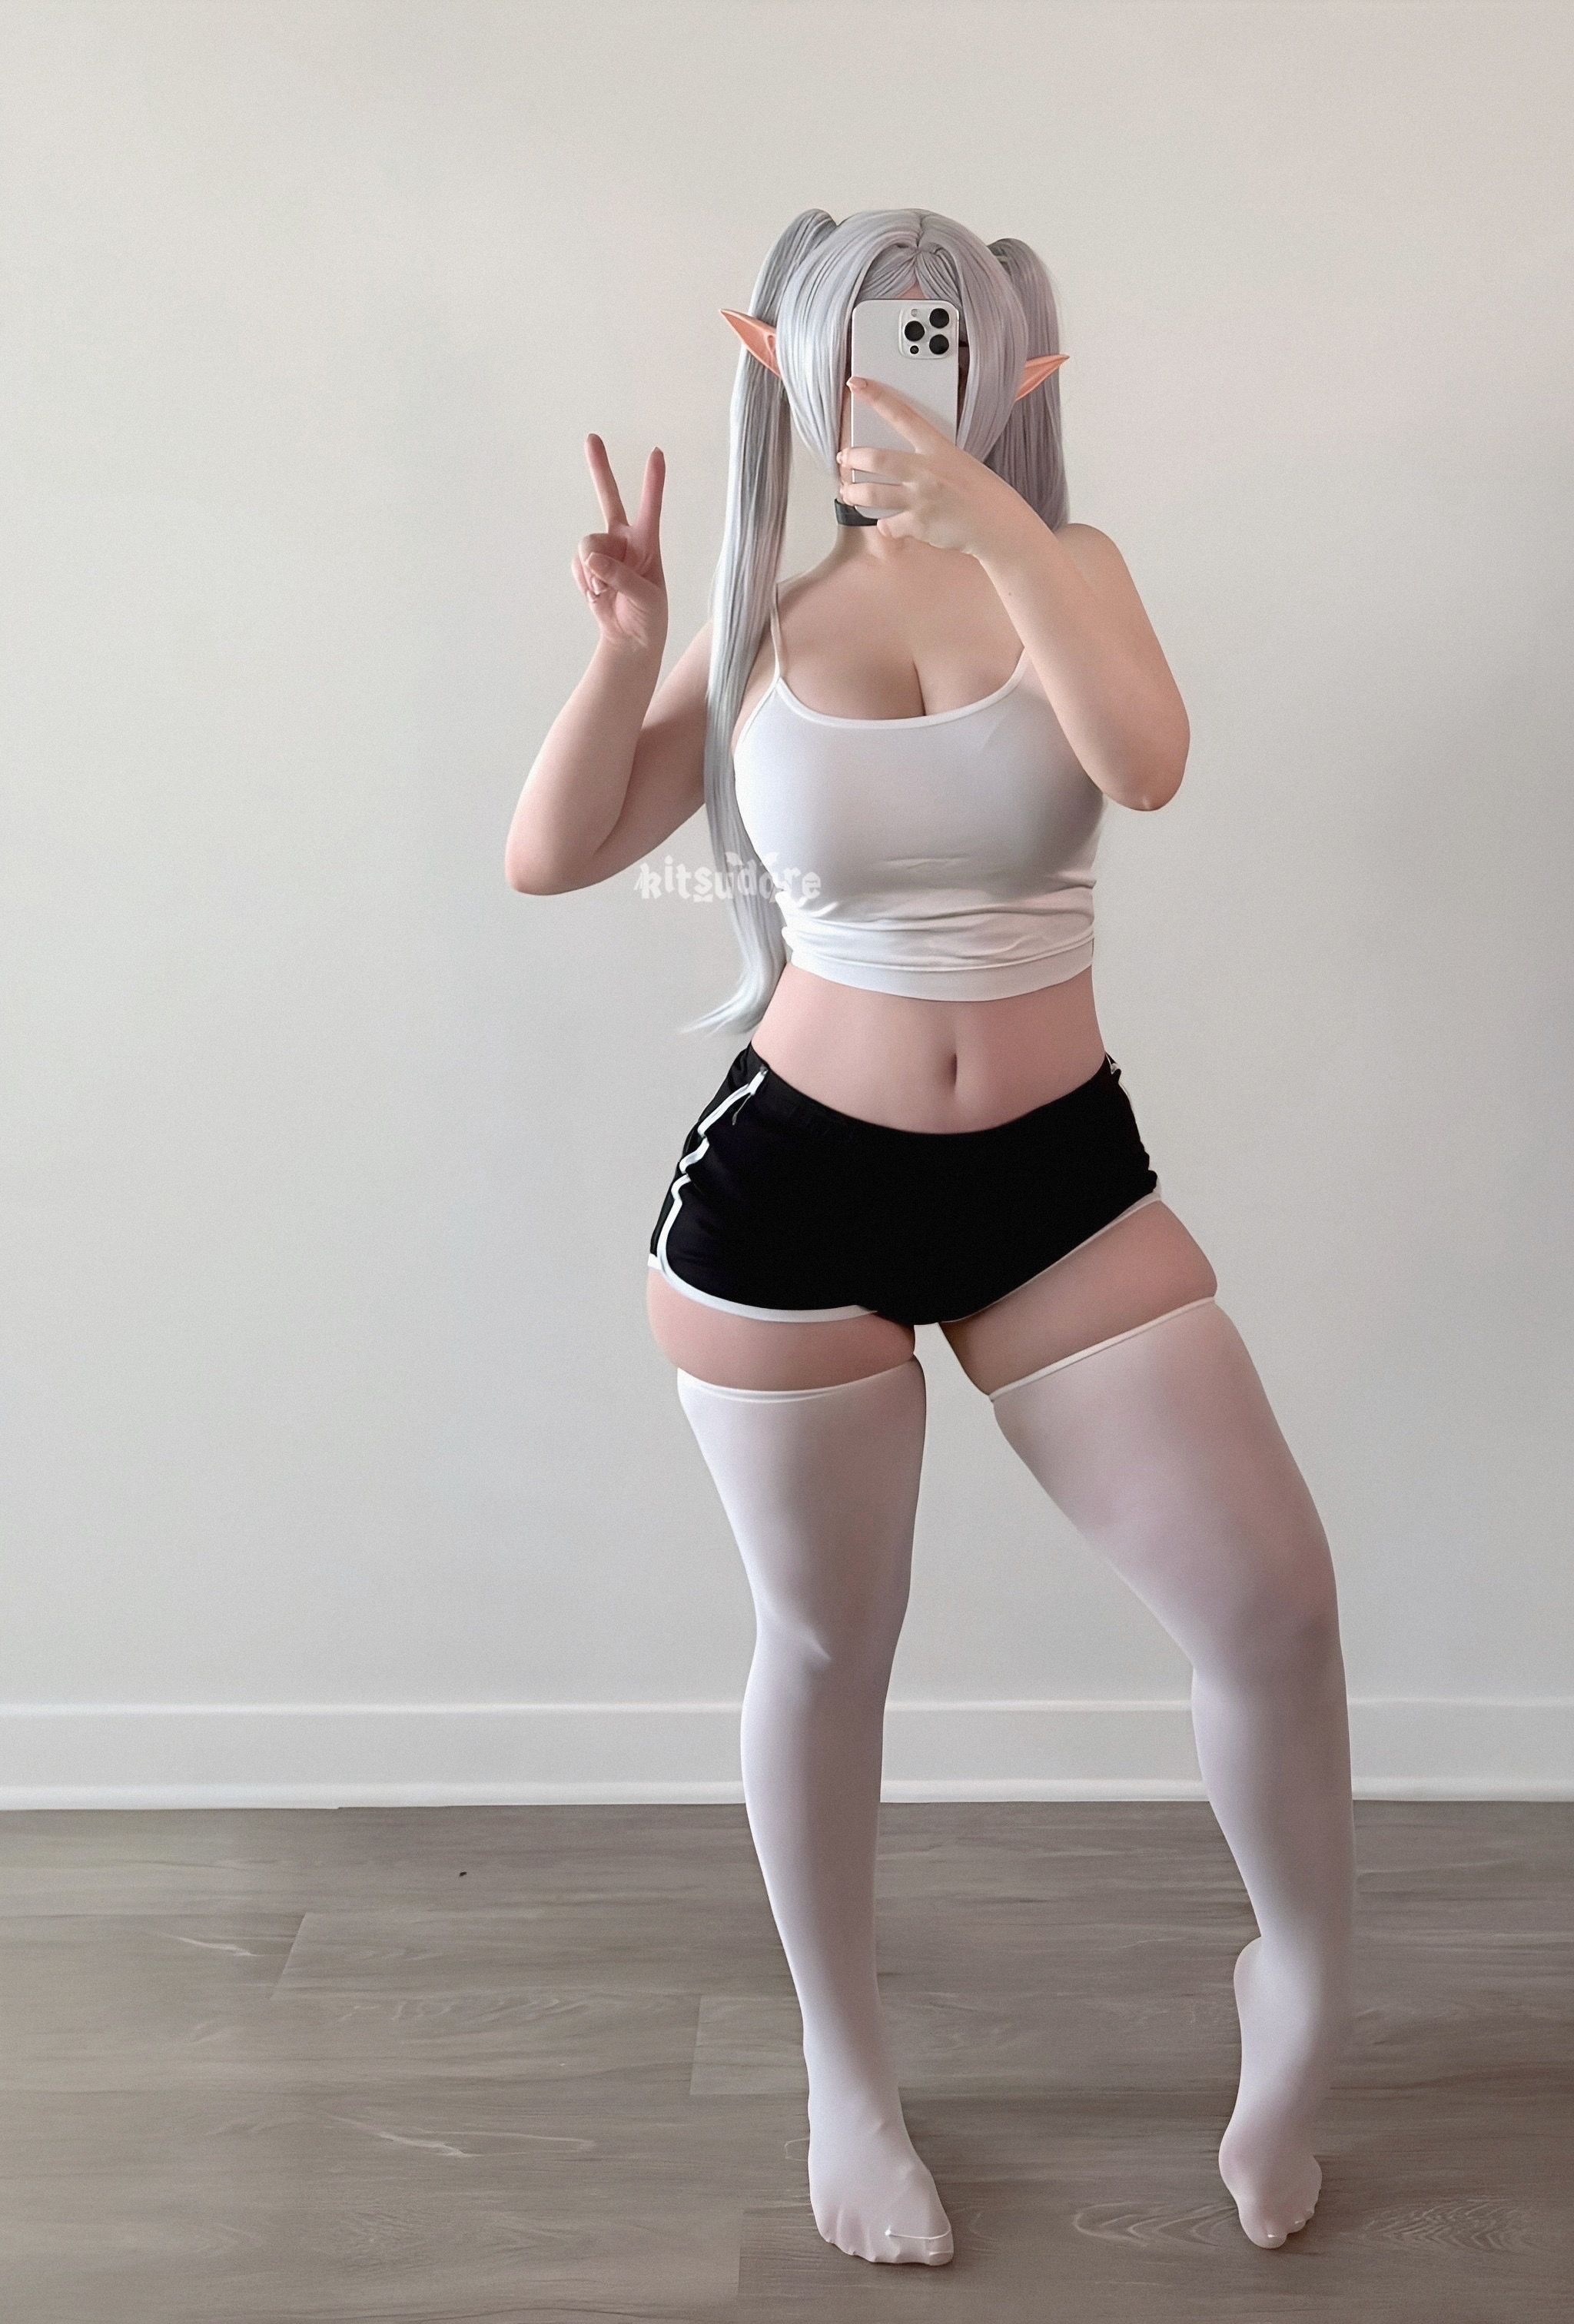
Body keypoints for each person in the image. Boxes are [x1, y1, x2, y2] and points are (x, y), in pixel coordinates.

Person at [506, 207, 1356, 2272]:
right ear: (795, 368)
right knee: (828, 1648)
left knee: (1270, 1604)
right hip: (789, 1195)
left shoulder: (1074, 574)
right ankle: (846, 2075)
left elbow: (1148, 763)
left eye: (942, 339)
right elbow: (553, 853)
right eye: (865, 344)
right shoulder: (764, 616)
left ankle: (1301, 1984)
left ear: (1005, 362)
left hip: (1054, 1181)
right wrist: (627, 646)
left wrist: (999, 530)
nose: (900, 378)